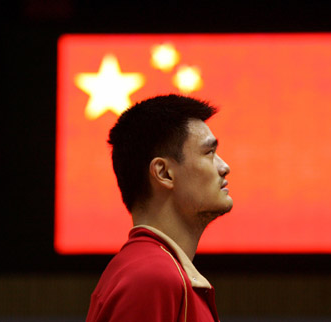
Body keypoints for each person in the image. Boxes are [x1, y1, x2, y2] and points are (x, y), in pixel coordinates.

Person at [86, 94, 233, 322]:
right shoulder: (152, 277)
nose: (224, 167)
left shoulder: (150, 270)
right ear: (164, 173)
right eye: (209, 153)